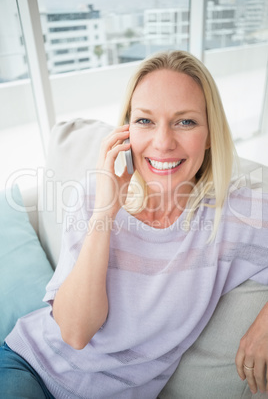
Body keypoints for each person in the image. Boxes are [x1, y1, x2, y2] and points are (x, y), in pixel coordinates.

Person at [0, 50, 268, 398]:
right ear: (126, 130)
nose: (162, 142)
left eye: (185, 121)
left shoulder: (234, 213)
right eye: (145, 121)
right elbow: (75, 332)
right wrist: (105, 214)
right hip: (33, 369)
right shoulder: (95, 194)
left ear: (210, 134)